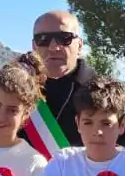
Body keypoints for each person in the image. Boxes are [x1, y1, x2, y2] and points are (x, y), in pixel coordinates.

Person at [29, 10, 95, 147]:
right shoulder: (15, 92)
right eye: (43, 39)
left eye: (65, 38)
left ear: (80, 45)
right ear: (34, 46)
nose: (53, 47)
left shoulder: (105, 93)